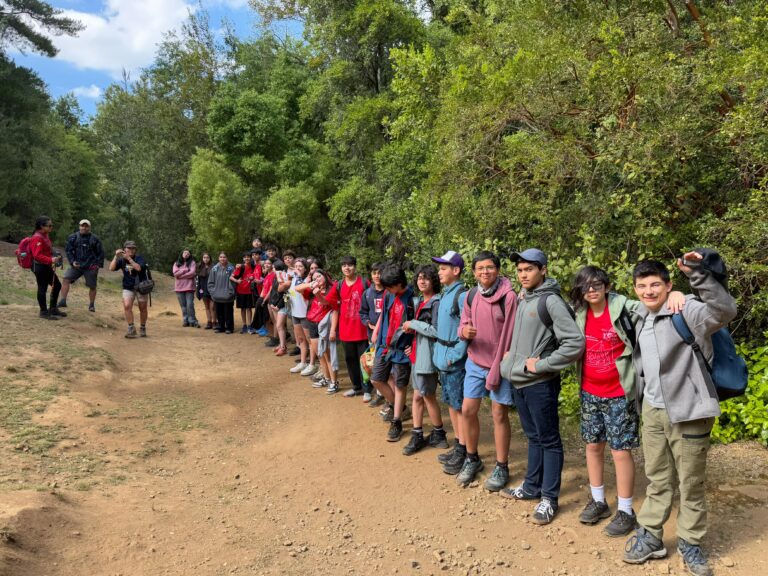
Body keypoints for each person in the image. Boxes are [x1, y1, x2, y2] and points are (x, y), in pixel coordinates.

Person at [622, 252, 737, 576]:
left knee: (691, 484)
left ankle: (690, 542)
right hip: (652, 411)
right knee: (657, 479)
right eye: (642, 286)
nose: (648, 291)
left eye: (655, 285)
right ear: (635, 289)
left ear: (668, 284)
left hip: (690, 412)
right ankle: (652, 536)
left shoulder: (686, 309)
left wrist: (696, 277)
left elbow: (725, 310)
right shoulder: (640, 315)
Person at [569, 266, 685, 537]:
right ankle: (598, 501)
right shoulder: (579, 313)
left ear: (607, 286)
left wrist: (676, 294)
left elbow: (652, 302)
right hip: (589, 390)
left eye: (597, 285)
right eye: (585, 286)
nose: (591, 290)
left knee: (620, 451)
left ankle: (625, 510)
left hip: (619, 392)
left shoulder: (624, 308)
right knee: (593, 446)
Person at [499, 248, 585, 525]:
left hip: (539, 383)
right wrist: (511, 358)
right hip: (520, 380)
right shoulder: (525, 297)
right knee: (533, 437)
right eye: (520, 270)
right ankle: (531, 487)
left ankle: (549, 498)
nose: (523, 275)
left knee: (549, 440)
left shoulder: (551, 301)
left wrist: (543, 364)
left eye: (529, 269)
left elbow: (575, 343)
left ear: (543, 270)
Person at [455, 251, 518, 489]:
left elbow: (511, 333)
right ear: (473, 272)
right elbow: (463, 323)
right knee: (467, 410)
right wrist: (464, 332)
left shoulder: (508, 297)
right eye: (480, 268)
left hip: (500, 365)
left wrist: (502, 364)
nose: (485, 272)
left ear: (498, 270)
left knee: (499, 414)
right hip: (475, 362)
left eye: (490, 267)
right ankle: (472, 458)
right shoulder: (471, 295)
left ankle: (502, 466)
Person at [400, 264, 449, 455]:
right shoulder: (420, 301)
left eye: (426, 278)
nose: (422, 281)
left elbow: (436, 331)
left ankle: (437, 434)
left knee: (426, 395)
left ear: (433, 281)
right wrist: (411, 344)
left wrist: (413, 323)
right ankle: (421, 433)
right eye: (420, 278)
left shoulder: (436, 302)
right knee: (419, 395)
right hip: (418, 354)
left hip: (428, 356)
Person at [429, 251, 470, 473]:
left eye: (443, 268)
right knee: (452, 405)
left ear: (456, 270)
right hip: (444, 360)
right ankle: (458, 445)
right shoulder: (446, 294)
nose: (439, 272)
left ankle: (464, 450)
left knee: (459, 407)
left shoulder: (461, 296)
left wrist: (455, 355)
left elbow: (468, 329)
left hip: (454, 363)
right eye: (439, 268)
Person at [370, 263, 415, 442]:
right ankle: (400, 408)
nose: (386, 290)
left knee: (400, 385)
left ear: (399, 283)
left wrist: (413, 344)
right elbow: (384, 315)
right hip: (384, 345)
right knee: (376, 379)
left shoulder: (412, 298)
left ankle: (397, 421)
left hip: (402, 349)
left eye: (389, 286)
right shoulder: (389, 294)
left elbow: (418, 323)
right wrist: (376, 331)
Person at [325, 256, 371, 398]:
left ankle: (367, 389)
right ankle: (356, 387)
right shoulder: (339, 285)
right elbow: (328, 301)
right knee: (350, 360)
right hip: (346, 331)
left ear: (355, 267)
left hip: (362, 330)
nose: (347, 268)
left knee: (365, 361)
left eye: (350, 265)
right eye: (344, 265)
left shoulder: (364, 283)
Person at [303, 269, 339, 391]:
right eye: (314, 278)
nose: (317, 279)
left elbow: (332, 308)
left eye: (319, 276)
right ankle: (327, 378)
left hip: (325, 325)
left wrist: (333, 330)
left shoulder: (332, 289)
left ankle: (334, 382)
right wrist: (310, 284)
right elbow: (297, 289)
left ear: (325, 276)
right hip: (313, 323)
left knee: (328, 356)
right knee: (320, 355)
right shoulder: (314, 289)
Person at [58, 219, 104, 312]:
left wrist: (98, 265)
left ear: (89, 227)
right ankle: (63, 301)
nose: (84, 228)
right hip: (77, 266)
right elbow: (68, 251)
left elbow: (101, 253)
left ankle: (91, 305)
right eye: (82, 226)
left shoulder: (95, 239)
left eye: (86, 226)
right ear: (79, 226)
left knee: (92, 286)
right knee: (66, 279)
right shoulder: (73, 237)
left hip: (90, 266)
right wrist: (72, 262)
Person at [109, 240, 150, 338]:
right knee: (127, 306)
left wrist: (129, 259)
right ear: (124, 249)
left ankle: (142, 327)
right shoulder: (122, 260)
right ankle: (131, 328)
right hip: (128, 287)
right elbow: (111, 268)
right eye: (129, 248)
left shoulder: (139, 258)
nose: (131, 250)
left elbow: (138, 268)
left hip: (141, 287)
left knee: (143, 308)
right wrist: (116, 256)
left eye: (133, 248)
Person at [29, 215, 66, 320]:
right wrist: (51, 259)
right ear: (42, 226)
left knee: (57, 285)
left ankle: (53, 309)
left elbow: (47, 249)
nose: (51, 227)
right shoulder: (37, 237)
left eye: (51, 225)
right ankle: (44, 312)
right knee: (42, 288)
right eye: (49, 226)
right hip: (39, 266)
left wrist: (54, 254)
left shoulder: (45, 235)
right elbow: (37, 255)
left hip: (46, 265)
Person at [359, 262, 386, 403]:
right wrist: (368, 322)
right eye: (374, 273)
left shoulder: (389, 292)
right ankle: (379, 393)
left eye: (379, 273)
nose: (377, 276)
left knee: (386, 366)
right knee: (374, 364)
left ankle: (388, 396)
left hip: (387, 336)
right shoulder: (367, 293)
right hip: (373, 336)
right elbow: (363, 312)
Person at [287, 258, 312, 374]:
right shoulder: (294, 279)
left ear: (305, 269)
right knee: (301, 339)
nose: (297, 268)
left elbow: (300, 289)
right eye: (296, 266)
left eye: (300, 266)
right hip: (295, 313)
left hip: (305, 314)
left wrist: (298, 276)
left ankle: (313, 364)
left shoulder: (307, 279)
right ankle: (303, 362)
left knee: (310, 341)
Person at [207, 252, 236, 334]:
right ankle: (220, 327)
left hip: (228, 296)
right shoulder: (214, 269)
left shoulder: (231, 268)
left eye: (224, 257)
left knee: (228, 313)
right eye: (221, 257)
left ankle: (229, 328)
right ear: (218, 258)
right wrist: (213, 292)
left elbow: (234, 282)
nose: (222, 259)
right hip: (217, 296)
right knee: (219, 312)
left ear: (227, 258)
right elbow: (210, 282)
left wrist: (231, 292)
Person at [172, 248, 199, 328]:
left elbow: (192, 273)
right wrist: (185, 270)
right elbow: (175, 274)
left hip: (189, 287)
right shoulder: (176, 263)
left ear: (190, 255)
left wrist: (180, 275)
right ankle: (185, 320)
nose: (186, 254)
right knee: (183, 306)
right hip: (179, 288)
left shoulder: (192, 263)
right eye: (185, 253)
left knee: (190, 304)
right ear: (182, 254)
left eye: (188, 253)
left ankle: (192, 321)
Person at [233, 252, 256, 333]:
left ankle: (250, 325)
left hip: (250, 291)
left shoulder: (253, 267)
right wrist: (237, 281)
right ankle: (244, 325)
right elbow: (231, 277)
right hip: (241, 290)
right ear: (243, 259)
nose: (247, 258)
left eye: (248, 257)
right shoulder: (241, 267)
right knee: (243, 308)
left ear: (251, 258)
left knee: (249, 308)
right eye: (245, 257)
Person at [196, 252, 217, 329]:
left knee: (213, 307)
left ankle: (214, 322)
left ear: (210, 258)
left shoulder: (214, 267)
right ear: (202, 258)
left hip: (212, 290)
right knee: (207, 306)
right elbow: (198, 281)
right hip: (203, 289)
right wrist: (199, 291)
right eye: (204, 257)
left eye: (207, 257)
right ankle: (209, 322)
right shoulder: (199, 267)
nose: (206, 259)